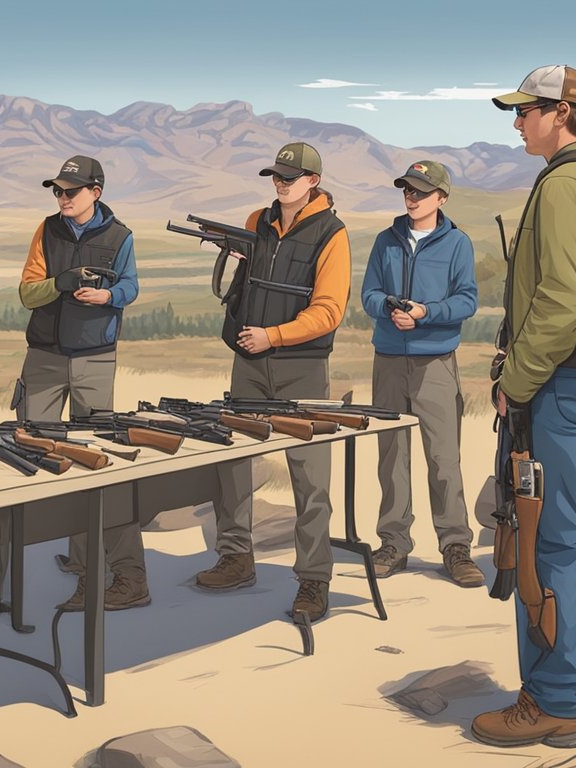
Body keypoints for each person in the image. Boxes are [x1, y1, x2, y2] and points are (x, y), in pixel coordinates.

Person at [471, 65, 576, 749]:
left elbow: (564, 297)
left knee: (548, 540)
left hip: (563, 386)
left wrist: (520, 379)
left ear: (562, 113)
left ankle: (554, 703)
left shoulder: (567, 183)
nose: (517, 124)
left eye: (526, 112)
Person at [192, 142, 351, 622]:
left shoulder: (332, 233)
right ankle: (236, 557)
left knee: (309, 474)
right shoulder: (256, 220)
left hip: (300, 365)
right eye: (276, 176)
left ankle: (313, 580)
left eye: (290, 176)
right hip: (249, 359)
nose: (280, 183)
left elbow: (329, 311)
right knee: (233, 463)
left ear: (313, 181)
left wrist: (274, 336)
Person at [15, 155, 147, 612]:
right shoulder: (45, 230)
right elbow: (27, 292)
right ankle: (81, 564)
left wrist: (108, 295)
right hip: (45, 356)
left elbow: (131, 287)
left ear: (97, 191)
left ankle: (127, 575)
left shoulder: (120, 236)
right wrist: (60, 283)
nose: (62, 198)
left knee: (99, 460)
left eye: (71, 190)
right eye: (57, 191)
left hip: (94, 357)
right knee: (37, 454)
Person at [360, 160, 482, 587]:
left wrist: (427, 314)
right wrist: (390, 309)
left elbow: (468, 301)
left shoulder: (457, 245)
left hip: (436, 364)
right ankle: (393, 544)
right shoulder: (385, 241)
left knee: (443, 458)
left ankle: (455, 546)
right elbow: (368, 294)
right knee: (392, 457)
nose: (411, 197)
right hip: (389, 361)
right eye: (407, 190)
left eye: (420, 191)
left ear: (441, 198)